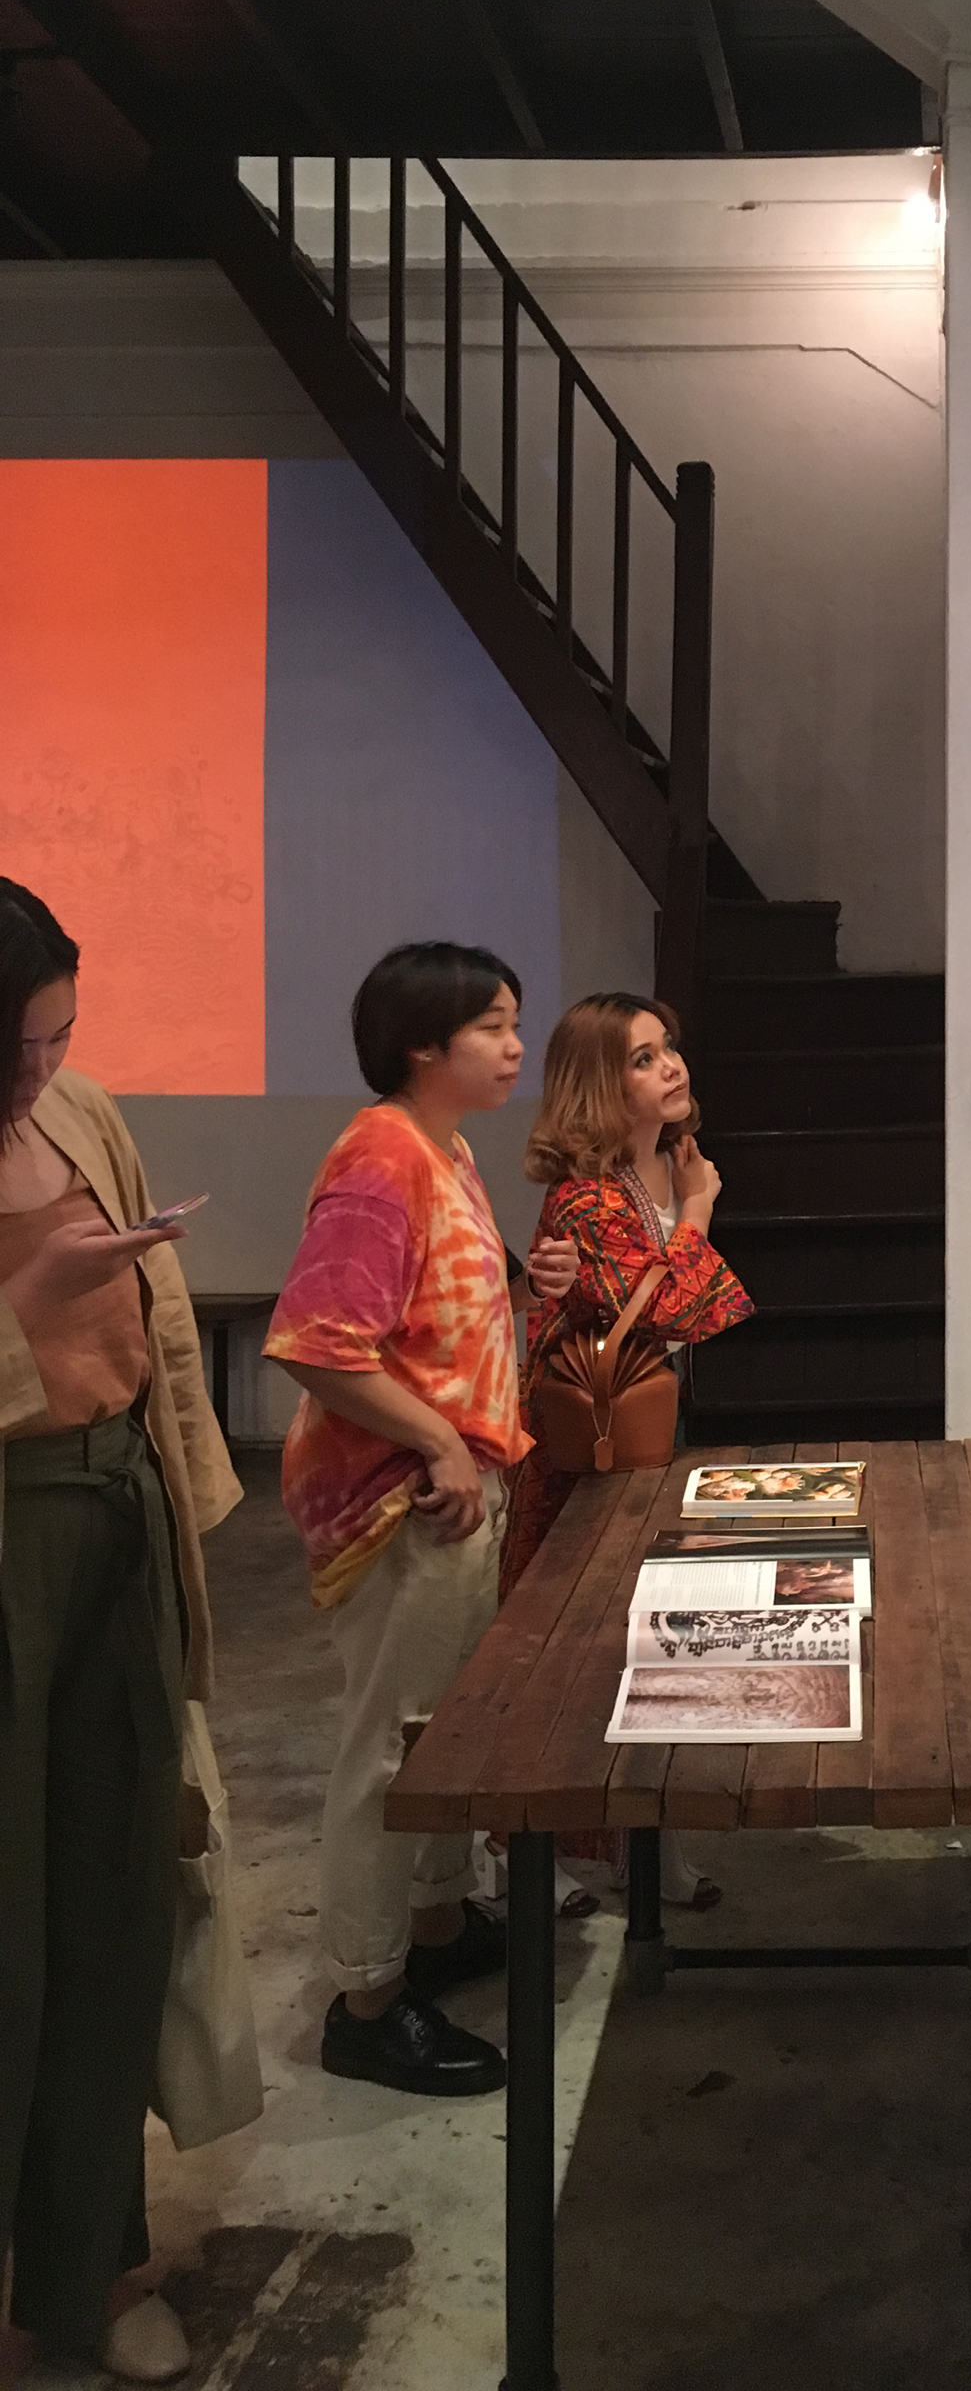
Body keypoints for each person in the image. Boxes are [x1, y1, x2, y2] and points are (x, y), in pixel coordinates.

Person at [0, 881, 241, 2387]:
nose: (41, 1070)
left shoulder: (81, 1112)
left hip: (115, 1510)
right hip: (8, 1522)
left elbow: (158, 1331)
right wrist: (27, 1290)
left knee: (117, 1899)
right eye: (13, 1049)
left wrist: (187, 1496)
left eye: (59, 1036)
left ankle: (90, 2268)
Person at [264, 944, 579, 2095]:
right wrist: (440, 1441)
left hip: (454, 1486)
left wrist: (526, 1285)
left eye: (513, 1021)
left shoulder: (442, 1147)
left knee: (441, 1731)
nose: (513, 1045)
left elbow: (430, 1316)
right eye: (491, 1025)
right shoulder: (381, 1159)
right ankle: (366, 1994)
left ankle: (436, 1927)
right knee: (391, 1748)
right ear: (420, 1044)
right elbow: (316, 1342)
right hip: (404, 1498)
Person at [503, 993, 753, 1902]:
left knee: (643, 1640)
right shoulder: (591, 1196)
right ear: (598, 1088)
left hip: (638, 1429)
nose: (670, 1065)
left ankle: (638, 1847)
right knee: (578, 1648)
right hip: (587, 1451)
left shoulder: (656, 1172)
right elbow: (680, 1310)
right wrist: (700, 1209)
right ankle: (556, 1851)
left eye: (668, 1046)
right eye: (643, 1058)